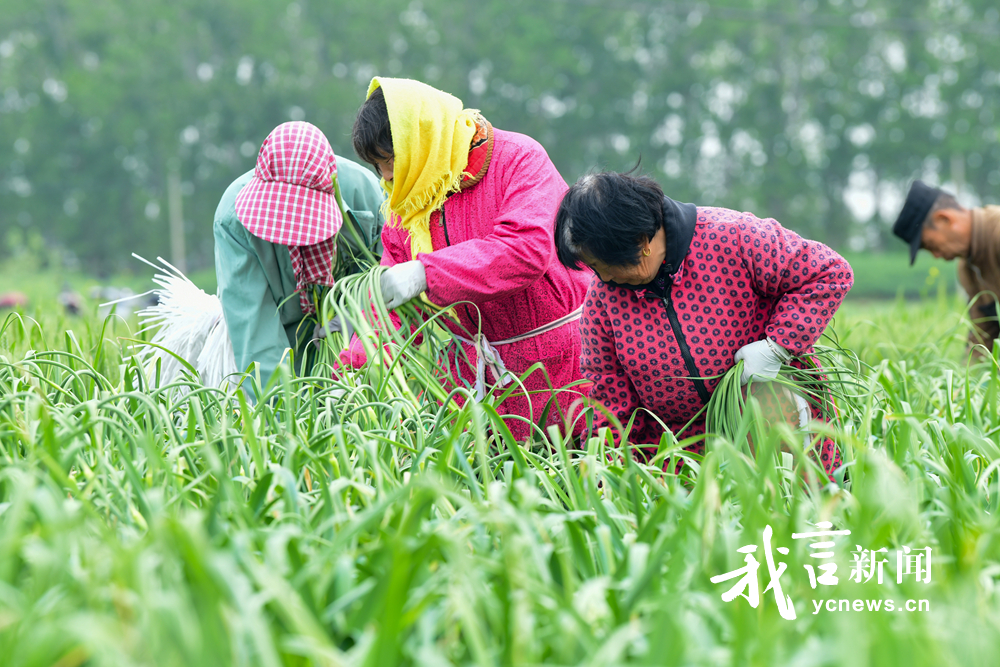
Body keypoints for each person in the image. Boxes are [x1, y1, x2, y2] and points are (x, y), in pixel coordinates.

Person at [554, 170, 854, 477]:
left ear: (641, 241)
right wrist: (611, 471)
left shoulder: (732, 236)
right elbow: (608, 387)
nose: (603, 278)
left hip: (773, 416)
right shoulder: (603, 298)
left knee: (792, 500)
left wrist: (776, 347)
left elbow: (828, 272)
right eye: (594, 269)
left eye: (606, 266)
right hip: (681, 449)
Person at [344, 77, 590, 439]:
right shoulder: (408, 199)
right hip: (478, 388)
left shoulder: (518, 159)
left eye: (391, 159)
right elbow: (390, 313)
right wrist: (349, 374)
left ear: (423, 136)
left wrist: (427, 274)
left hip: (563, 370)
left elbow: (525, 250)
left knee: (578, 486)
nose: (387, 175)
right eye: (378, 164)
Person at [212, 120, 385, 395]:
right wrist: (285, 422)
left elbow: (386, 288)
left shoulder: (366, 193)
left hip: (357, 345)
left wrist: (361, 330)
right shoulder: (233, 219)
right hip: (282, 336)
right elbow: (257, 337)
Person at [892, 179, 1000, 356]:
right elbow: (983, 336)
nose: (936, 256)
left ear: (944, 219)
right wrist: (962, 380)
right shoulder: (968, 268)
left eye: (931, 245)